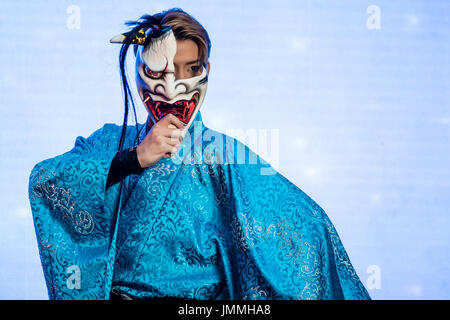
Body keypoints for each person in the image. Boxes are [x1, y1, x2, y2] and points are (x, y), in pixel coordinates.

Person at [28, 8, 371, 300]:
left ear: (207, 70)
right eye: (160, 71)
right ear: (138, 76)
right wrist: (133, 158)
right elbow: (46, 180)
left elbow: (306, 231)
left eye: (190, 69)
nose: (175, 86)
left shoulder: (227, 159)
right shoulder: (106, 142)